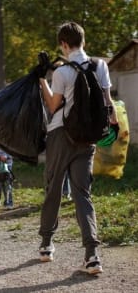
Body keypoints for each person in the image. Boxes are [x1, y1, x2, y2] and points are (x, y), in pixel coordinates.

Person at [37, 22, 118, 274]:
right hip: (87, 138)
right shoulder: (100, 65)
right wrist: (112, 128)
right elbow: (108, 104)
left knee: (54, 188)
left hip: (61, 134)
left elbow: (53, 106)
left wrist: (42, 78)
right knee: (82, 193)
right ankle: (92, 256)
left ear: (63, 44)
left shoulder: (61, 72)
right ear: (83, 40)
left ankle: (46, 245)